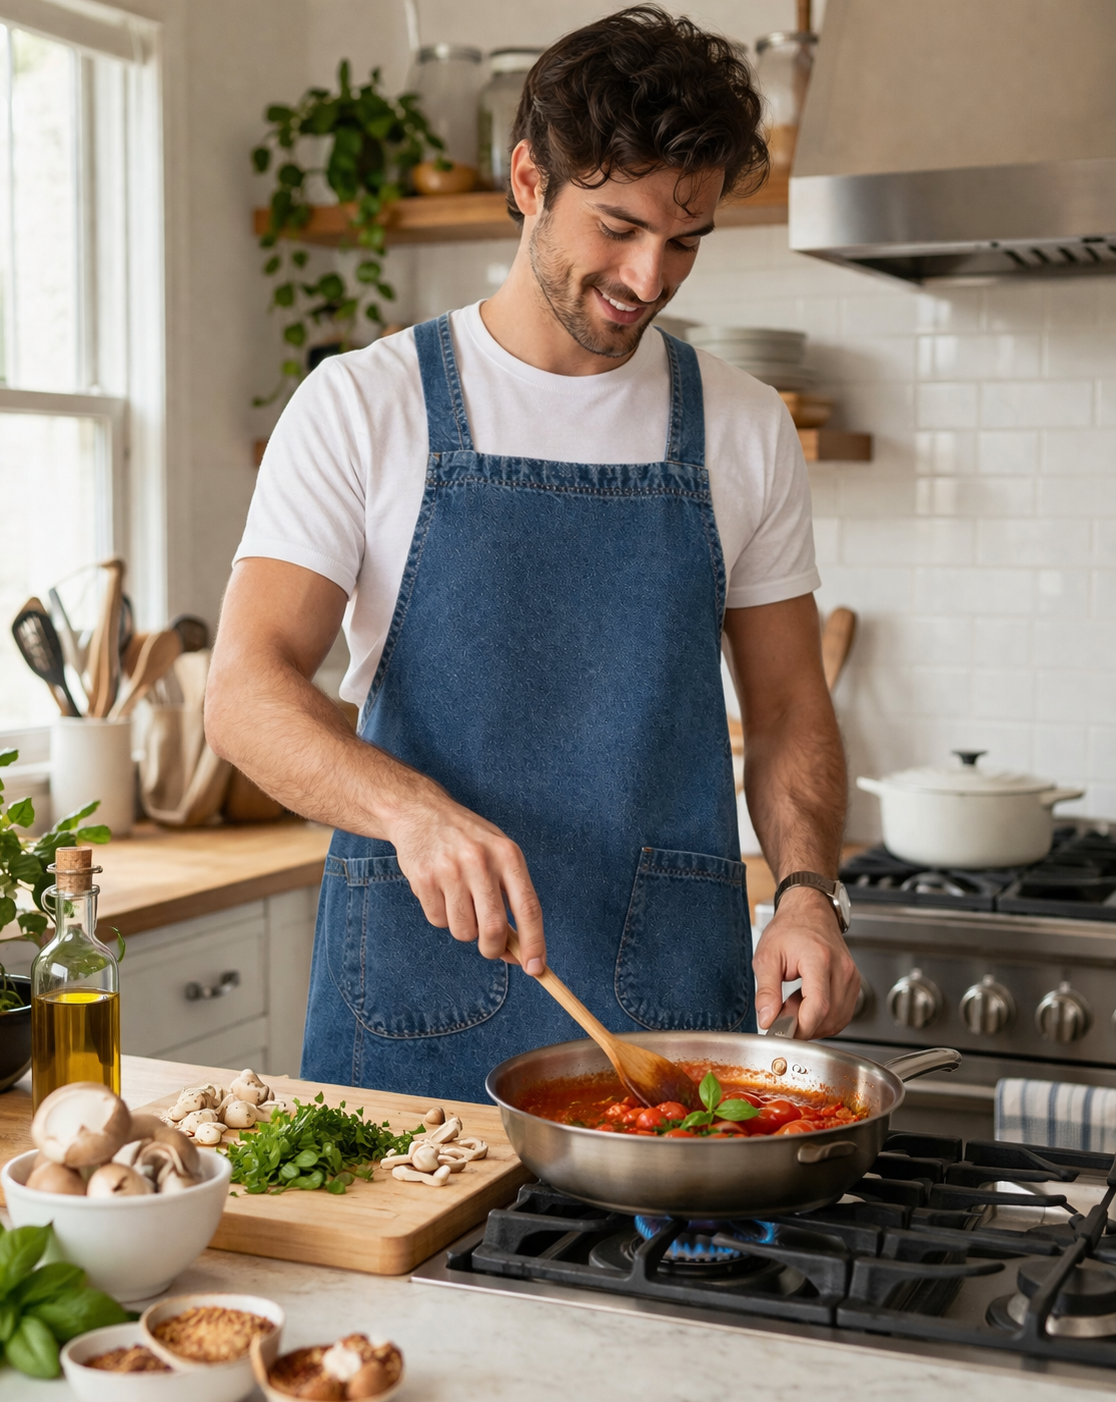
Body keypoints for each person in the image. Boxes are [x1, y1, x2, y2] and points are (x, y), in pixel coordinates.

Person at [205, 4, 859, 1103]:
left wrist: (805, 893)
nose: (649, 276)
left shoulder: (741, 427)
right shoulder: (366, 404)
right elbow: (243, 693)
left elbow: (792, 704)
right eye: (616, 226)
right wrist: (412, 812)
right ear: (526, 181)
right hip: (419, 998)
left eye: (684, 238)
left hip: (671, 1008)